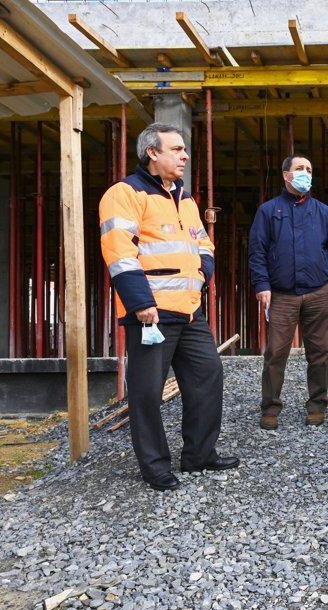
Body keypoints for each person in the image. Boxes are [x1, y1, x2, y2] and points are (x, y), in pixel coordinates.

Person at [99, 123, 238, 492]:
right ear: (152, 153)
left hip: (190, 312)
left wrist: (203, 274)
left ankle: (198, 455)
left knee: (208, 378)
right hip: (152, 314)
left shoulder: (185, 198)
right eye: (176, 149)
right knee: (147, 393)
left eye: (184, 150)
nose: (184, 156)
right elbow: (119, 252)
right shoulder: (125, 193)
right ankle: (155, 467)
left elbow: (203, 244)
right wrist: (141, 302)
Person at [248, 154, 328, 430]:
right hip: (281, 295)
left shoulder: (323, 212)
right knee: (276, 353)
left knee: (320, 353)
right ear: (286, 175)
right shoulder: (268, 211)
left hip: (318, 293)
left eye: (309, 169)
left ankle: (317, 406)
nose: (305, 173)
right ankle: (270, 408)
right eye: (300, 168)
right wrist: (262, 284)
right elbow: (257, 251)